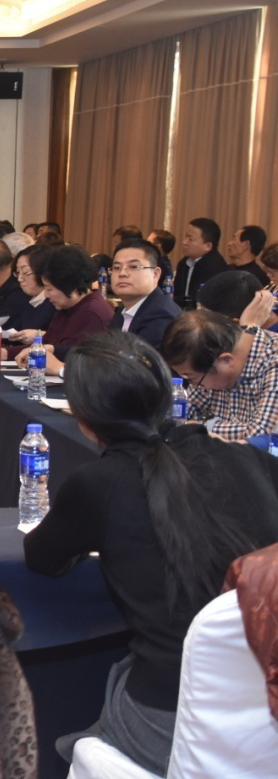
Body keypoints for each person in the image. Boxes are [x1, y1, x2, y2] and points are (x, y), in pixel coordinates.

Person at [24, 331, 278, 776]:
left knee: (79, 743)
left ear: (83, 420)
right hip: (265, 703)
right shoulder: (254, 461)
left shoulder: (98, 484)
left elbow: (42, 558)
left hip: (172, 712)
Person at [161, 309, 278, 440]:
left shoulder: (273, 361)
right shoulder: (210, 360)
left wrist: (202, 427)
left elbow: (264, 433)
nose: (194, 385)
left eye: (192, 378)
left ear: (225, 360)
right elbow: (185, 412)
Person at [11, 245, 112, 373]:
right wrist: (4, 352)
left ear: (70, 286)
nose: (46, 295)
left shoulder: (93, 313)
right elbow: (46, 343)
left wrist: (53, 351)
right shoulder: (66, 308)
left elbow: (85, 363)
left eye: (49, 289)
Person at [108, 239, 181, 351]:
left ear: (155, 274)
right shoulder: (123, 311)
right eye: (117, 268)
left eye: (134, 267)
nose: (122, 273)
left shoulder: (161, 317)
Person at [172, 217, 230, 309]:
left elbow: (203, 300)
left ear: (208, 246)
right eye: (186, 236)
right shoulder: (184, 263)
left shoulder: (215, 267)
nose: (184, 242)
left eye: (190, 239)